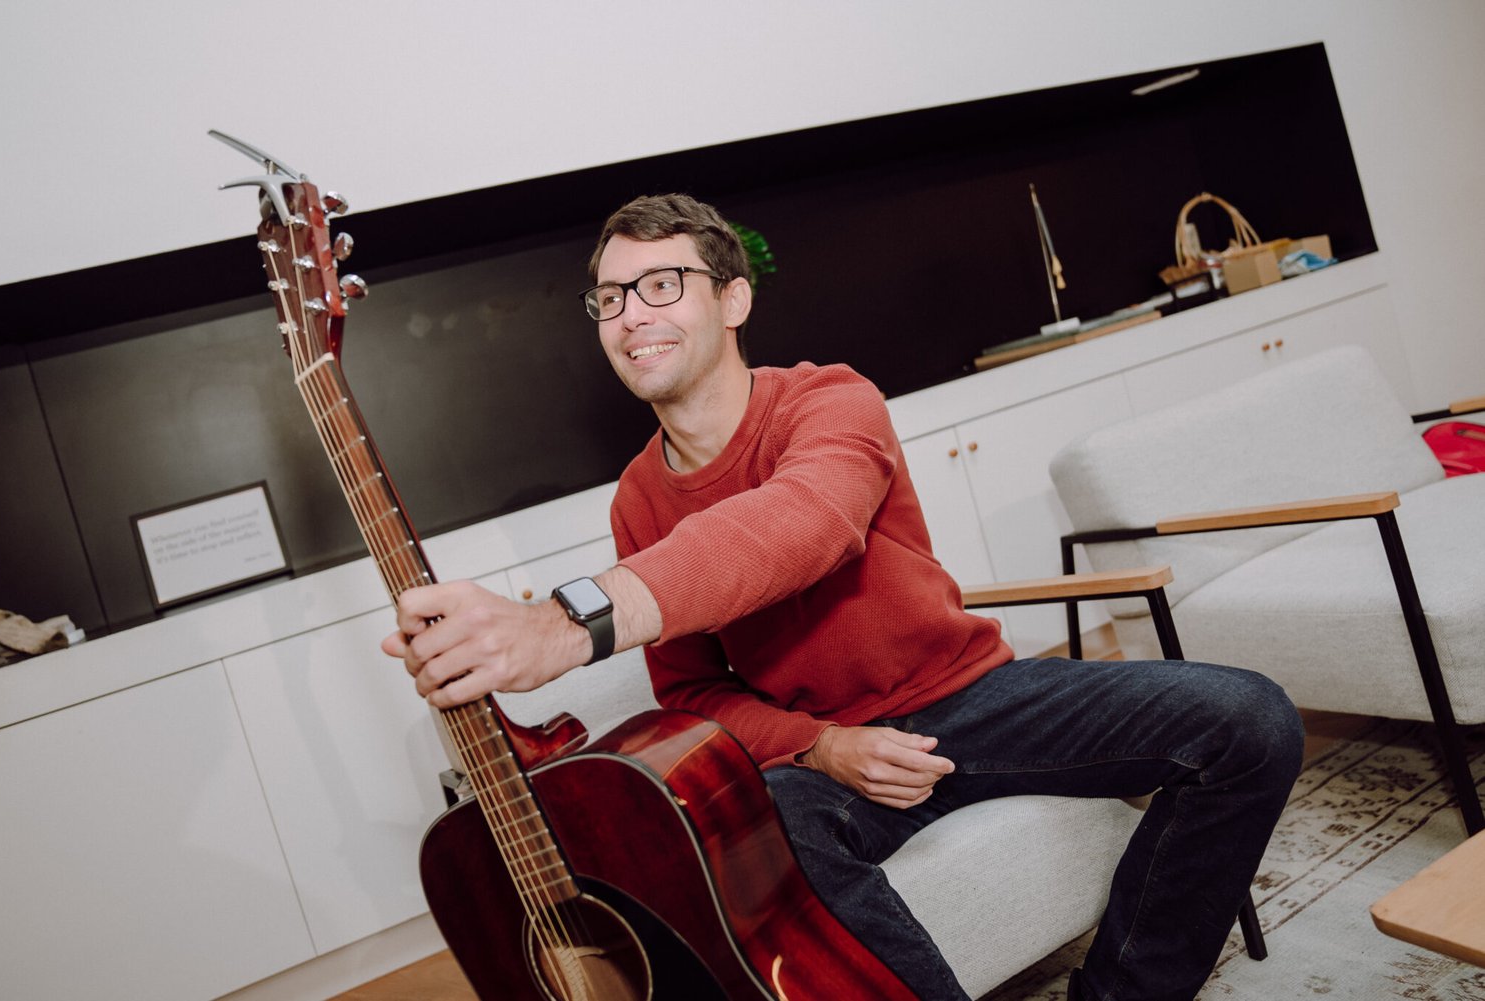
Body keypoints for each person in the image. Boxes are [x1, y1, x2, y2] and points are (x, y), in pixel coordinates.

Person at [381, 193, 1305, 1001]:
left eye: (662, 284)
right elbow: (693, 695)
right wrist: (820, 746)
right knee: (756, 835)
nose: (632, 315)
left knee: (1250, 721)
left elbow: (803, 523)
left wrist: (566, 622)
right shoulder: (637, 499)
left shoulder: (829, 399)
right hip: (823, 750)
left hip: (975, 699)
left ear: (733, 299)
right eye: (611, 296)